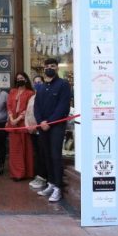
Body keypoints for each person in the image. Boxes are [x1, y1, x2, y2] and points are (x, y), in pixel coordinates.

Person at [34, 58, 71, 202]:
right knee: (46, 155)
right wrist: (40, 122)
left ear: (57, 68)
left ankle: (58, 188)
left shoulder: (63, 85)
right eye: (47, 66)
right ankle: (51, 183)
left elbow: (63, 107)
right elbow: (36, 107)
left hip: (56, 126)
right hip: (43, 127)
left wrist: (49, 122)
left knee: (56, 156)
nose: (50, 68)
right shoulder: (41, 87)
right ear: (44, 69)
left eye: (53, 66)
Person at [7, 72, 35, 181]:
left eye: (22, 78)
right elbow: (9, 105)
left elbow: (28, 109)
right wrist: (12, 119)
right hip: (12, 124)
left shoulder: (30, 93)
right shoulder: (12, 91)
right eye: (18, 78)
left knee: (26, 149)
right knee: (15, 150)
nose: (20, 80)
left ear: (26, 80)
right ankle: (16, 174)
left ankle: (27, 173)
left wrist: (18, 119)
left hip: (24, 123)